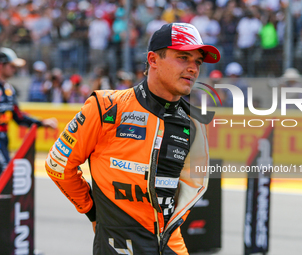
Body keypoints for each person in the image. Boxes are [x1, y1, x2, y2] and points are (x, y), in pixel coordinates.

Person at [45, 23, 220, 254]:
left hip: (171, 246)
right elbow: (58, 165)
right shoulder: (106, 107)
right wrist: (92, 212)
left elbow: (190, 190)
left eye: (197, 61)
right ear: (153, 60)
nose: (193, 68)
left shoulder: (194, 123)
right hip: (118, 245)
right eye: (183, 57)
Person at [0, 47, 57, 175]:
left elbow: (19, 117)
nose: (14, 70)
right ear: (1, 65)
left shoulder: (9, 90)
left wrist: (42, 123)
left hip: (3, 142)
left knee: (6, 181)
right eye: (11, 66)